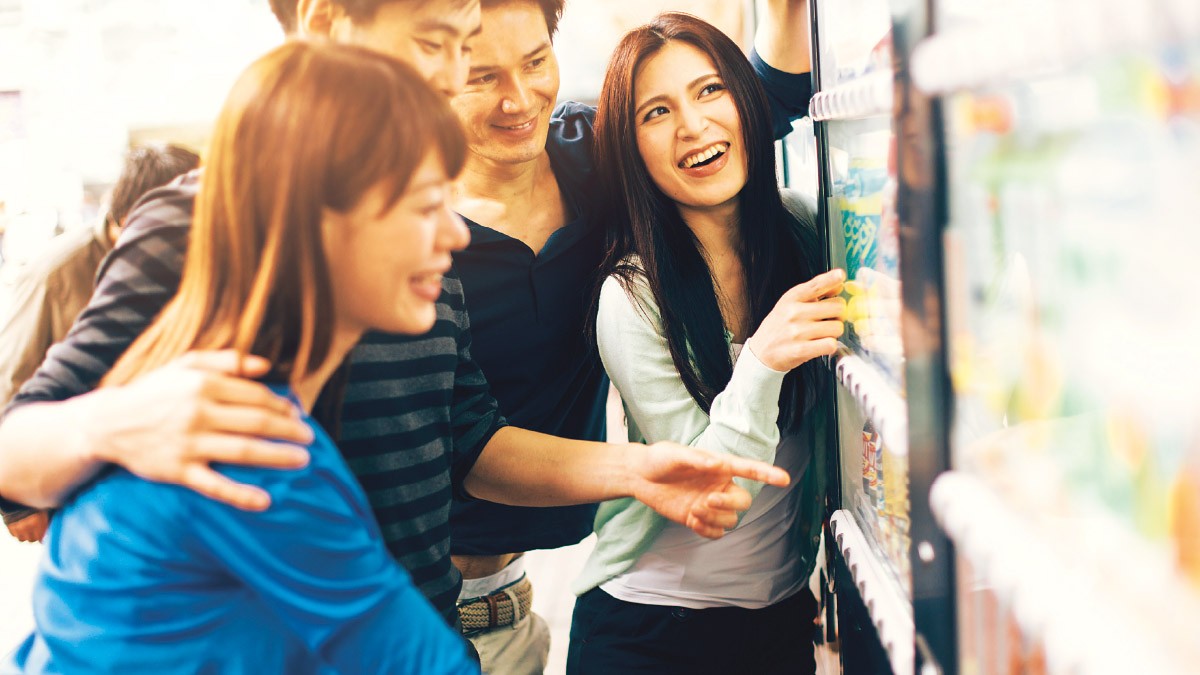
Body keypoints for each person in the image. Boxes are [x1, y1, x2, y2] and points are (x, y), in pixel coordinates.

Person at [0, 0, 788, 642]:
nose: (454, 75)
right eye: (442, 47)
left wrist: (635, 471)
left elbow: (468, 439)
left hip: (452, 619)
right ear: (326, 26)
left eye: (468, 49)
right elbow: (15, 454)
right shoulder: (203, 222)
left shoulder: (436, 249)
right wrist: (116, 422)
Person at [5, 40, 481, 674]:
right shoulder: (251, 448)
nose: (458, 233)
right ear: (316, 220)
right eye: (425, 207)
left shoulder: (189, 383)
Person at [444, 1, 815, 669]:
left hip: (513, 601)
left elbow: (751, 106)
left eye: (534, 62)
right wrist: (643, 471)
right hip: (411, 595)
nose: (519, 99)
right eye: (481, 77)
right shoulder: (411, 235)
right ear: (431, 71)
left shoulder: (590, 157)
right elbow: (472, 444)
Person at [566, 13, 845, 674]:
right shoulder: (631, 295)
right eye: (656, 112)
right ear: (631, 149)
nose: (693, 126)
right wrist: (762, 359)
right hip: (647, 631)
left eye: (710, 90)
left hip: (776, 620)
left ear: (747, 103)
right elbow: (714, 500)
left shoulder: (806, 229)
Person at [0, 144, 199, 544]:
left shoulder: (187, 259)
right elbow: (11, 378)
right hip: (76, 478)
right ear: (135, 216)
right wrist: (15, 503)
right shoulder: (55, 274)